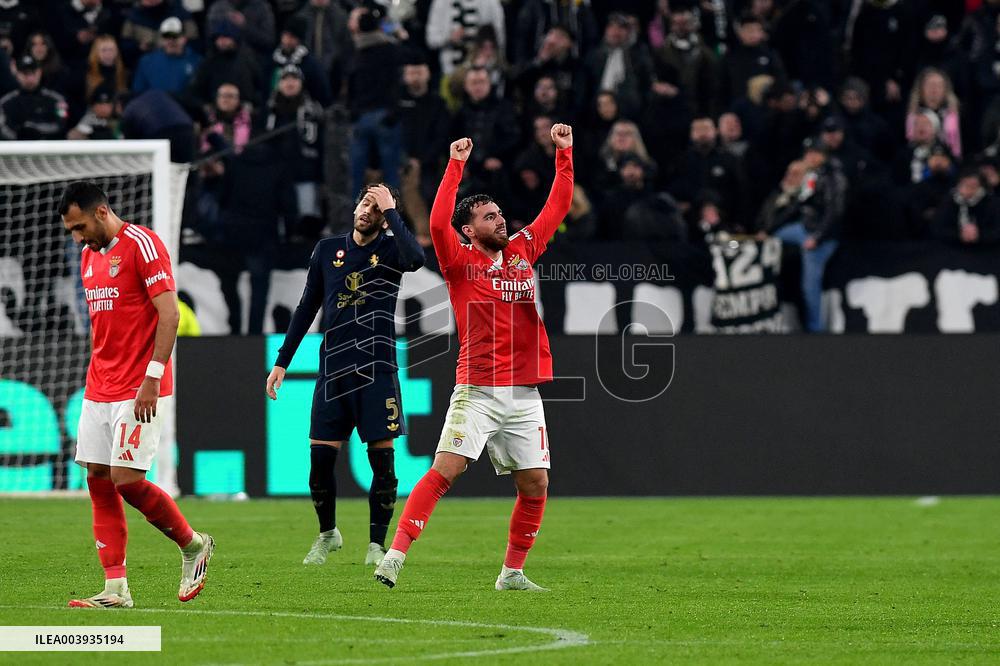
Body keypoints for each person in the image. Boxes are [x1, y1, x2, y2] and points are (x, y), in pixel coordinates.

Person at [374, 124, 574, 591]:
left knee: (536, 484)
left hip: (525, 390)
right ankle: (396, 555)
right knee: (447, 469)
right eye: (489, 217)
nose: (500, 221)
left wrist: (564, 154)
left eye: (500, 214)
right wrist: (456, 165)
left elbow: (558, 206)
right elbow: (439, 222)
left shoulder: (524, 251)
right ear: (470, 230)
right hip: (479, 388)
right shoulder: (460, 263)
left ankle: (512, 572)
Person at [58, 182, 214, 608]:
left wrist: (152, 376)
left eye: (80, 226)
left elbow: (169, 312)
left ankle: (193, 544)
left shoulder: (143, 245)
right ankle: (115, 589)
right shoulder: (89, 257)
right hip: (100, 385)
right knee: (97, 478)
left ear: (102, 212)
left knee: (127, 480)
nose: (77, 238)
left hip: (140, 387)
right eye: (72, 230)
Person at [265, 184, 424, 567]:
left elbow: (417, 257)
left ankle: (375, 544)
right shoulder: (326, 251)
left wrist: (392, 213)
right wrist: (282, 361)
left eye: (377, 206)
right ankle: (327, 534)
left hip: (377, 371)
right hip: (333, 372)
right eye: (365, 202)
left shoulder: (390, 250)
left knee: (382, 464)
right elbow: (306, 308)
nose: (367, 209)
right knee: (319, 463)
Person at [0, 55, 68, 140]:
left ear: (39, 72)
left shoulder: (57, 100)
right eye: (25, 73)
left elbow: (61, 124)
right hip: (16, 149)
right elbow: (2, 128)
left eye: (33, 72)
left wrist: (34, 129)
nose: (29, 78)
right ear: (17, 74)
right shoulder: (5, 102)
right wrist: (21, 138)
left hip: (48, 148)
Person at [131, 17, 202, 96]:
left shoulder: (197, 61)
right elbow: (138, 94)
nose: (171, 41)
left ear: (184, 38)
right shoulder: (146, 62)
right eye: (167, 37)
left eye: (175, 36)